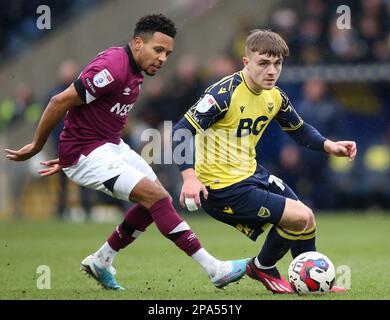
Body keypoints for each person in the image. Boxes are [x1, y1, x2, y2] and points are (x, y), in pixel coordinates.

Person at [5, 14, 248, 290]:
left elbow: (95, 115)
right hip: (89, 152)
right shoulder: (113, 68)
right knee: (156, 197)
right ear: (137, 43)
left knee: (157, 200)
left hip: (107, 145)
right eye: (158, 50)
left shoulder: (134, 70)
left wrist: (72, 151)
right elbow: (59, 101)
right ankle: (214, 269)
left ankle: (102, 260)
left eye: (168, 53)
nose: (163, 58)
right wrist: (40, 146)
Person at [172, 29, 357, 294]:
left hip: (251, 174)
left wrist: (330, 145)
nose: (271, 71)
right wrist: (189, 177)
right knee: (299, 216)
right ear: (246, 63)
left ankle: (312, 283)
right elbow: (180, 130)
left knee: (308, 219)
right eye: (263, 63)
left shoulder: (275, 96)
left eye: (277, 64)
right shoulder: (223, 94)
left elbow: (299, 129)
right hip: (221, 188)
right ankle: (262, 266)